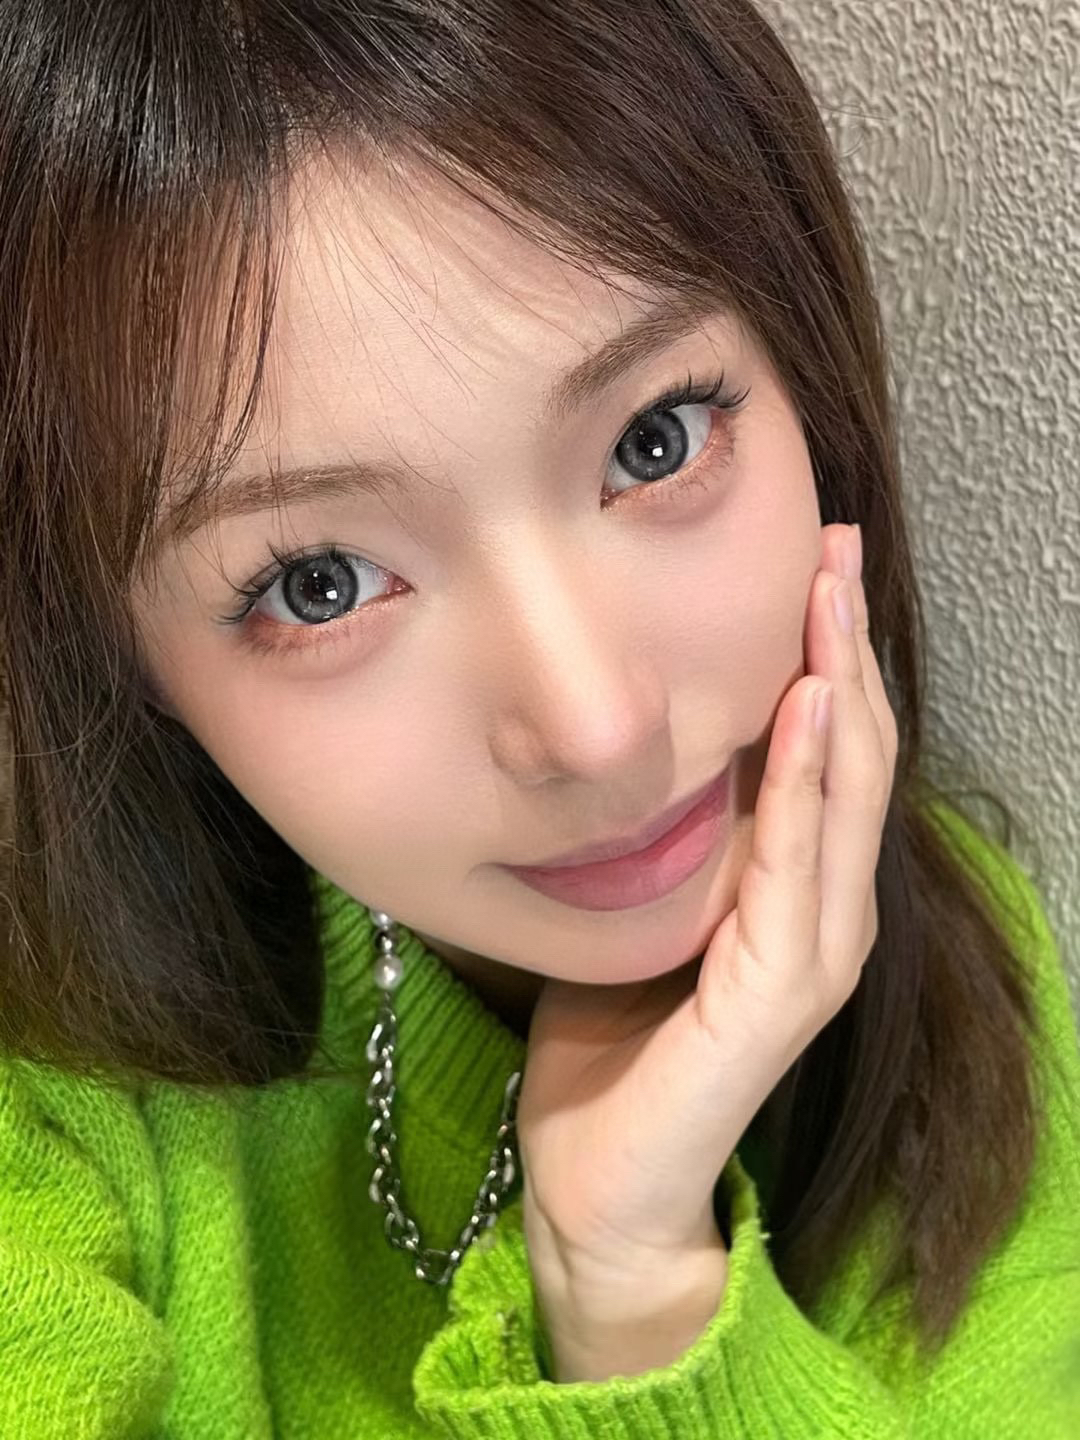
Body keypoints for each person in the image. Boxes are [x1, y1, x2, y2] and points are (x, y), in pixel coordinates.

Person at [0, 0, 1077, 1434]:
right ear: (116, 661)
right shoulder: (56, 1089)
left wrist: (635, 1291)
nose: (595, 730)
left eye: (654, 440)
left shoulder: (955, 973)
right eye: (322, 583)